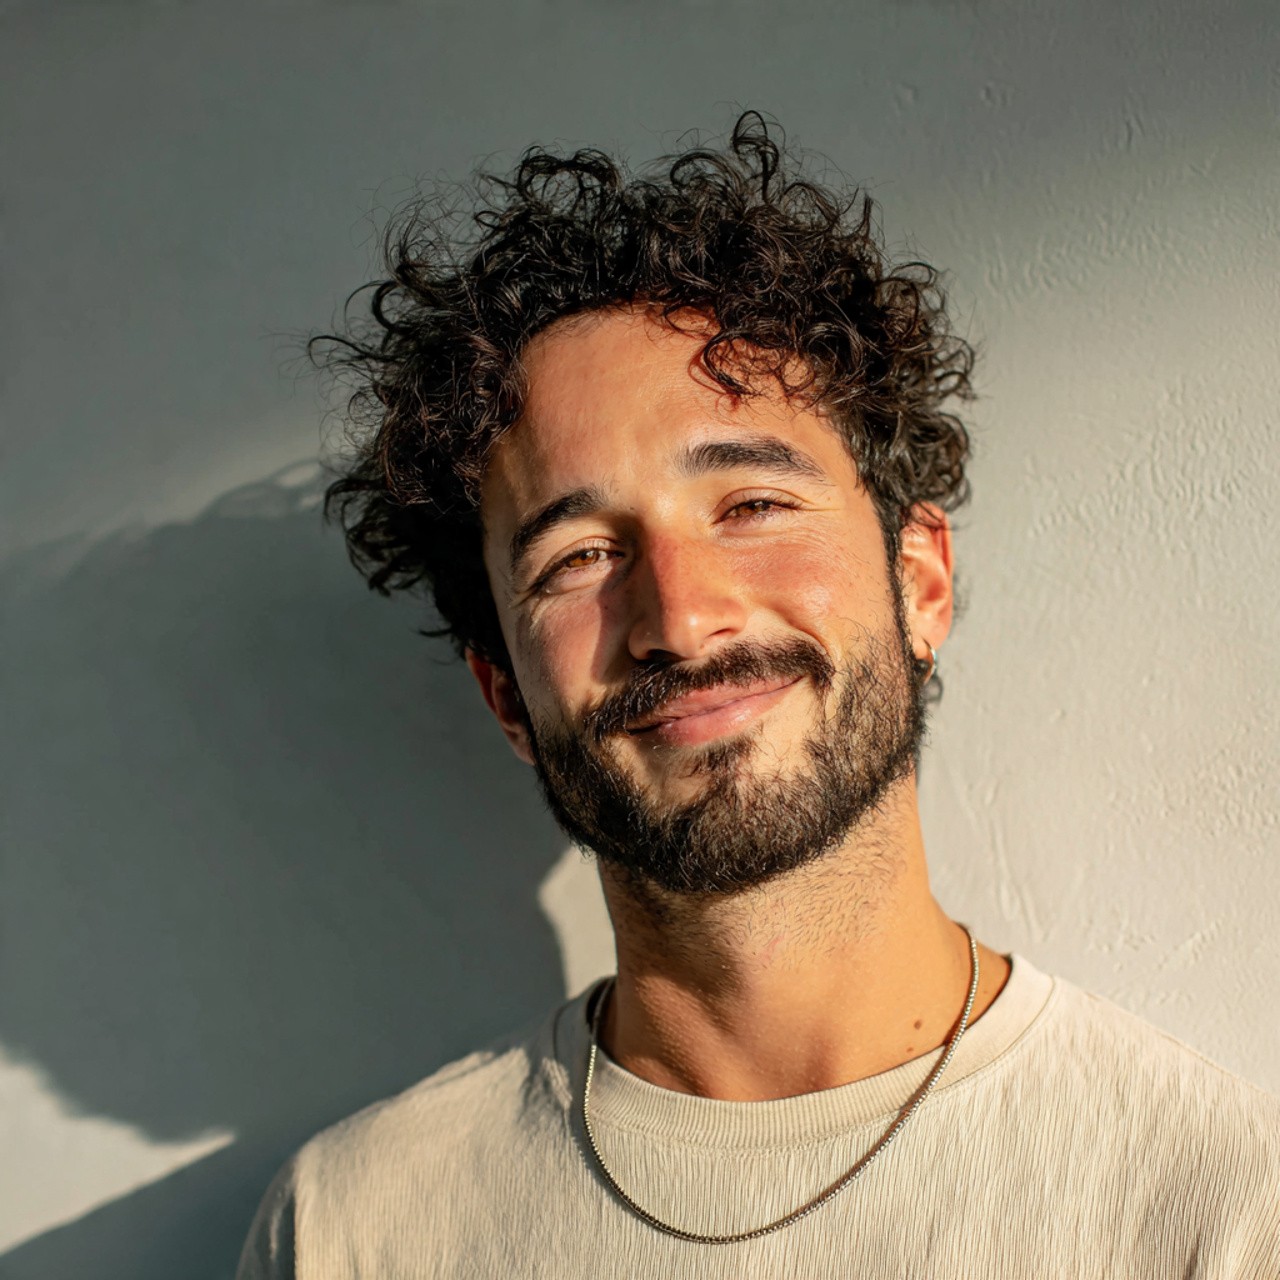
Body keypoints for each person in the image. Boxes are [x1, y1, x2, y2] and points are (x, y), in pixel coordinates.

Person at [237, 115, 1279, 1277]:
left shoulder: (1217, 1211)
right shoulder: (351, 1228)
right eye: (576, 555)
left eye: (751, 505)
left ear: (918, 580)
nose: (678, 618)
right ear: (503, 698)